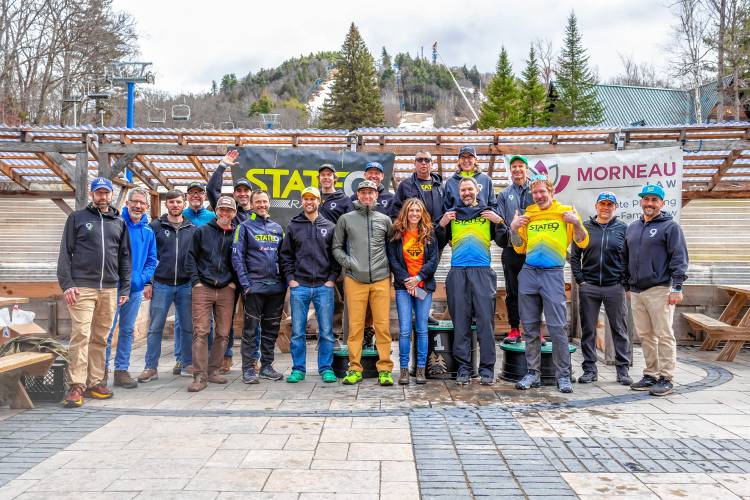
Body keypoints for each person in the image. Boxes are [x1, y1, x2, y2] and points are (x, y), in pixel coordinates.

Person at [57, 177, 131, 408]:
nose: (102, 197)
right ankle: (76, 385)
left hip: (109, 288)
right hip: (82, 287)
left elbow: (124, 257)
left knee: (101, 337)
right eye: (98, 193)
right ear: (91, 195)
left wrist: (125, 286)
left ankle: (95, 382)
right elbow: (64, 254)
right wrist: (67, 284)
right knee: (81, 334)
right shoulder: (77, 218)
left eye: (106, 193)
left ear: (111, 195)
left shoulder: (118, 222)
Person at [511, 175, 589, 394]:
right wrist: (513, 228)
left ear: (551, 191)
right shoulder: (529, 214)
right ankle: (532, 373)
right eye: (535, 192)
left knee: (557, 327)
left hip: (553, 274)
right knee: (530, 327)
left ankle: (563, 375)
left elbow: (583, 240)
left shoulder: (565, 212)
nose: (538, 196)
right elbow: (519, 247)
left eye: (542, 191)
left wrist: (576, 223)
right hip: (529, 273)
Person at [440, 176, 506, 386]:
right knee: (460, 323)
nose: (467, 193)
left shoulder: (488, 214)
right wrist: (441, 226)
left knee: (485, 322)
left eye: (470, 189)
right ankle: (464, 368)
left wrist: (500, 222)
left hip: (482, 271)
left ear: (478, 189)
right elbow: (439, 242)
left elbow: (505, 241)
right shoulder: (453, 215)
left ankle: (487, 369)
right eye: (463, 191)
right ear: (458, 193)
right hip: (458, 271)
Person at [624, 184, 688, 397]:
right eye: (646, 199)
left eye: (654, 200)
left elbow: (679, 258)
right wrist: (627, 285)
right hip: (636, 291)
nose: (649, 203)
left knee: (663, 334)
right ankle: (650, 374)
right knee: (645, 335)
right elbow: (625, 258)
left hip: (660, 289)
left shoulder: (670, 227)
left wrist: (677, 286)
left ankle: (666, 378)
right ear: (641, 202)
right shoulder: (632, 227)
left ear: (661, 203)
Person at [333, 180, 394, 386]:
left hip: (381, 278)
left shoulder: (385, 219)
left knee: (382, 326)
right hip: (354, 279)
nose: (367, 196)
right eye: (363, 193)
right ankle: (354, 368)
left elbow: (392, 248)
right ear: (358, 195)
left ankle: (385, 368)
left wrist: (389, 271)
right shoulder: (346, 219)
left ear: (376, 195)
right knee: (355, 327)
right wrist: (348, 263)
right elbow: (337, 247)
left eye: (371, 193)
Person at [570, 192, 632, 385]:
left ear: (615, 207)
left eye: (610, 204)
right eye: (602, 204)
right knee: (588, 329)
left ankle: (623, 370)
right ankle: (589, 369)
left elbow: (629, 258)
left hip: (614, 286)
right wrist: (581, 280)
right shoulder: (585, 227)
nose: (606, 208)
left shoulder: (623, 228)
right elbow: (574, 256)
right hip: (589, 286)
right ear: (596, 206)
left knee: (619, 329)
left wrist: (623, 282)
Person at [280, 187, 340, 384]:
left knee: (326, 331)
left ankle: (326, 368)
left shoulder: (329, 226)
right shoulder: (293, 225)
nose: (309, 202)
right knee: (297, 332)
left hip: (324, 286)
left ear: (319, 201)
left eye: (313, 198)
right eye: (306, 198)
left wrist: (331, 278)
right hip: (300, 286)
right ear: (301, 201)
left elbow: (335, 256)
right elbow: (286, 255)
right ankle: (298, 369)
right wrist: (291, 279)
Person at [137, 190, 197, 383]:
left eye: (179, 202)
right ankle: (150, 367)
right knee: (155, 327)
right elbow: (147, 256)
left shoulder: (192, 229)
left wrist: (195, 282)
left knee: (187, 327)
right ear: (166, 205)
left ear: (184, 203)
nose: (175, 205)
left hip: (186, 285)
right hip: (161, 284)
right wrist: (147, 282)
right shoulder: (155, 226)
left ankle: (187, 363)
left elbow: (197, 257)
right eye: (171, 202)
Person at [104, 188, 157, 389]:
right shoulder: (115, 224)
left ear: (146, 206)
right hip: (113, 288)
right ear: (127, 203)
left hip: (134, 290)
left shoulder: (148, 231)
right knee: (107, 331)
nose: (137, 206)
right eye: (134, 202)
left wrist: (142, 279)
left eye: (142, 203)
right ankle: (102, 371)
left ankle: (121, 370)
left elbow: (152, 260)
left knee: (127, 330)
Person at [184, 195, 238, 392]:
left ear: (234, 213)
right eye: (222, 209)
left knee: (223, 333)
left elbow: (239, 261)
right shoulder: (202, 232)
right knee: (201, 331)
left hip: (226, 289)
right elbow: (190, 257)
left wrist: (233, 283)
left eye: (229, 210)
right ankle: (199, 375)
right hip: (203, 288)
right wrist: (196, 282)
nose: (225, 213)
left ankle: (213, 370)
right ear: (216, 211)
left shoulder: (237, 234)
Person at [232, 189, 286, 384]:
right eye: (258, 202)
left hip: (276, 289)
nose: (262, 205)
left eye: (265, 201)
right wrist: (246, 285)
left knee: (271, 330)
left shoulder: (278, 228)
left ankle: (266, 366)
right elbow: (237, 257)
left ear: (269, 203)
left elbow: (285, 257)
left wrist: (285, 283)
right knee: (250, 330)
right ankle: (248, 368)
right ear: (252, 204)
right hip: (254, 288)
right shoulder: (244, 227)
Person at [209, 150, 253, 373]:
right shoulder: (229, 213)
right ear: (234, 194)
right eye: (239, 190)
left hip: (250, 276)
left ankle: (252, 359)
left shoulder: (257, 216)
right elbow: (211, 189)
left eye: (246, 191)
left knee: (252, 319)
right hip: (228, 276)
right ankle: (225, 357)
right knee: (224, 320)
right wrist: (222, 166)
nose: (243, 194)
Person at [388, 198, 439, 385]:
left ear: (422, 213)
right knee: (403, 331)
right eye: (411, 210)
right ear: (406, 213)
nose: (415, 214)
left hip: (423, 286)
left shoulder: (429, 233)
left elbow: (433, 260)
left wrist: (418, 279)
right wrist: (407, 281)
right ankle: (403, 370)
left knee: (422, 329)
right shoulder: (397, 233)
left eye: (418, 211)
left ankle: (420, 370)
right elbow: (392, 260)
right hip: (403, 287)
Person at [177, 180, 215, 375]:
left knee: (207, 321)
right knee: (182, 321)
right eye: (192, 193)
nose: (195, 196)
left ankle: (206, 358)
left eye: (199, 193)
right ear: (186, 197)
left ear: (204, 196)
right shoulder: (180, 215)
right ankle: (180, 358)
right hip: (183, 276)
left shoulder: (212, 217)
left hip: (206, 277)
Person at [496, 155, 533, 344]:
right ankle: (514, 329)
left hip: (534, 249)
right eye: (514, 167)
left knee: (535, 291)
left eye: (521, 166)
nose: (517, 169)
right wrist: (512, 229)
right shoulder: (503, 194)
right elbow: (501, 222)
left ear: (527, 169)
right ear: (510, 171)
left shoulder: (536, 190)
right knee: (512, 291)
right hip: (511, 249)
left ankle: (534, 330)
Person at [391, 151, 445, 249]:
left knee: (432, 263)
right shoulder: (405, 185)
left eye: (427, 160)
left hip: (436, 236)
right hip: (412, 235)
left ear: (432, 164)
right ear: (415, 163)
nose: (423, 163)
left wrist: (447, 235)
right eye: (420, 160)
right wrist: (401, 231)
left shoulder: (440, 186)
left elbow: (446, 210)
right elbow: (395, 211)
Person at [443, 145, 496, 212]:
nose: (466, 160)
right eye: (463, 157)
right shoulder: (450, 182)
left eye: (470, 157)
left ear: (475, 160)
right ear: (459, 160)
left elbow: (493, 205)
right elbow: (446, 207)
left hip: (481, 221)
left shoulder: (486, 180)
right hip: (459, 221)